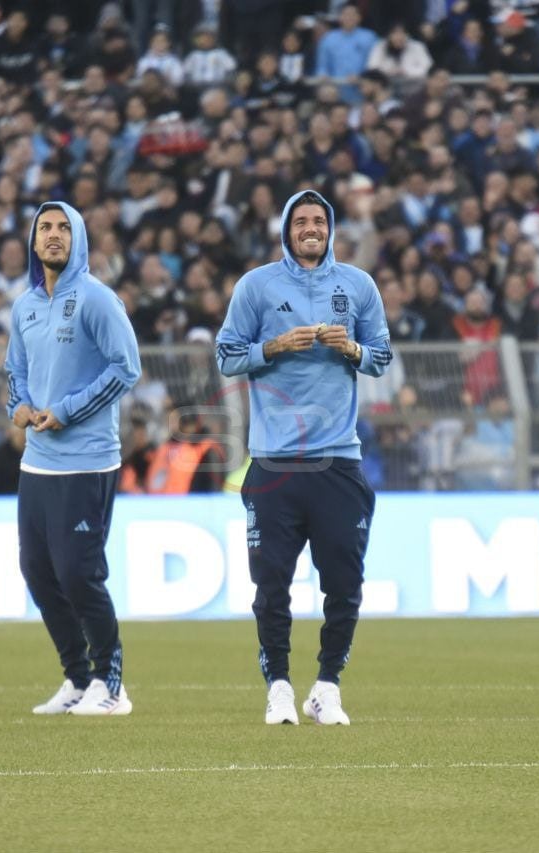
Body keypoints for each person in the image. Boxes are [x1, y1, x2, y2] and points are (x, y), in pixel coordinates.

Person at [215, 189, 393, 726]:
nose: (310, 228)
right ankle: (278, 688)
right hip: (273, 464)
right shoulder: (256, 286)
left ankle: (327, 687)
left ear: (330, 227)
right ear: (287, 230)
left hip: (338, 461)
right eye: (301, 221)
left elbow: (382, 357)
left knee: (344, 584)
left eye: (319, 220)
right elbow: (225, 356)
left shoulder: (358, 286)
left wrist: (352, 350)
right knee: (271, 586)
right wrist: (272, 347)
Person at [4, 201, 142, 717]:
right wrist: (16, 405)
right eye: (46, 228)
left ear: (78, 238)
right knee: (38, 572)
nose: (55, 236)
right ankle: (78, 678)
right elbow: (14, 368)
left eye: (64, 228)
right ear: (34, 240)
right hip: (37, 463)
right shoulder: (25, 306)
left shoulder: (97, 299)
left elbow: (126, 368)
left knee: (79, 574)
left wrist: (64, 410)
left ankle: (112, 684)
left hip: (87, 460)